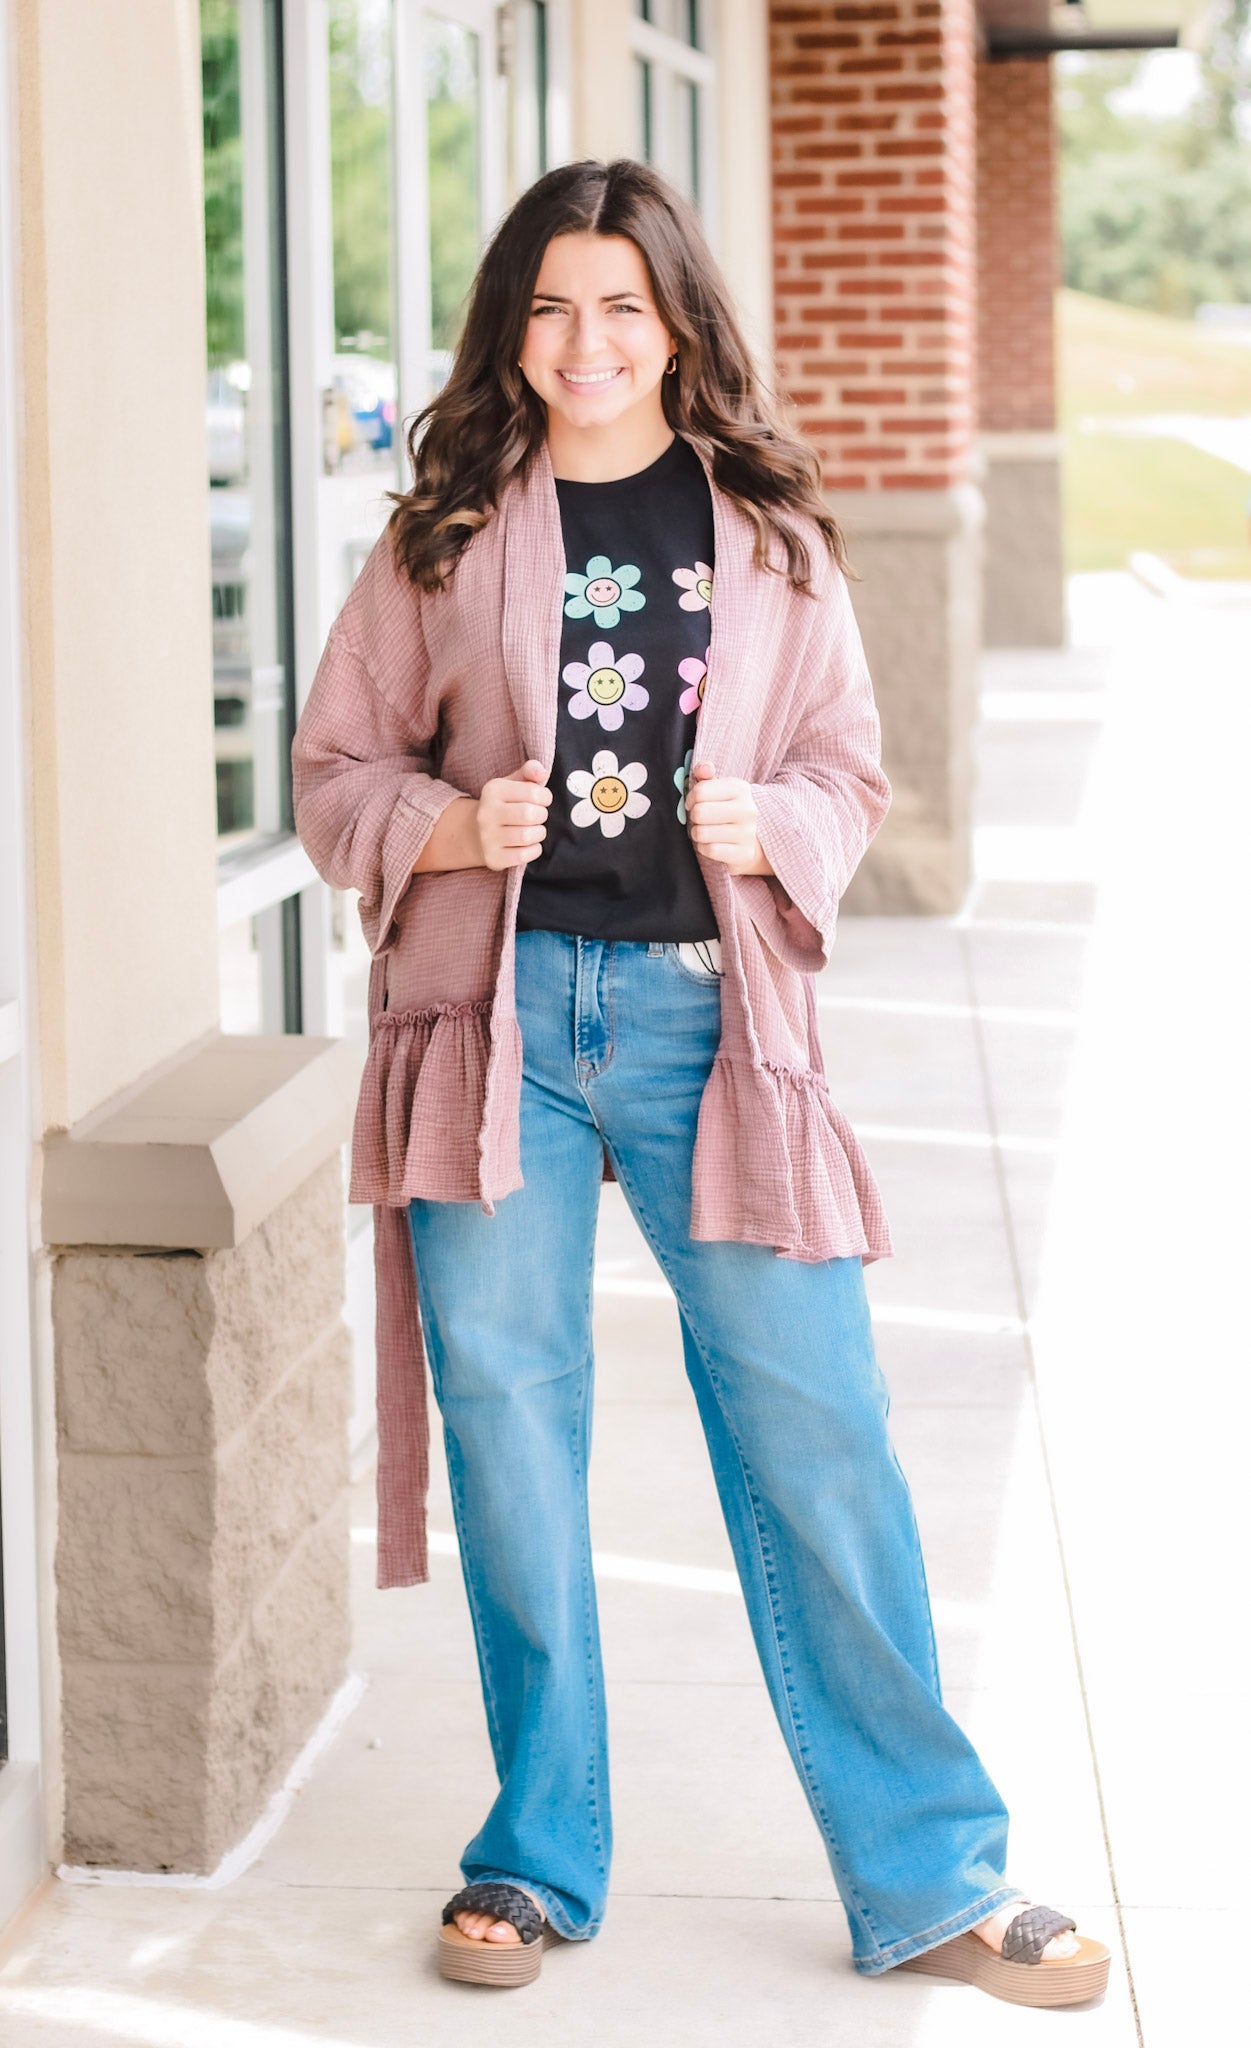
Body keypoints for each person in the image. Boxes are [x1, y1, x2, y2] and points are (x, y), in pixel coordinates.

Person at [291, 157, 1110, 2011]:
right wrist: (447, 827)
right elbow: (335, 772)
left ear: (675, 329)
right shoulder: (444, 536)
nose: (583, 342)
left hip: (707, 1029)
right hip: (494, 1033)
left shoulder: (768, 532)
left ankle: (931, 1872)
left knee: (819, 1427)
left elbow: (847, 767)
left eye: (621, 307)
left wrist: (771, 824)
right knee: (511, 1435)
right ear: (512, 328)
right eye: (549, 306)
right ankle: (537, 1854)